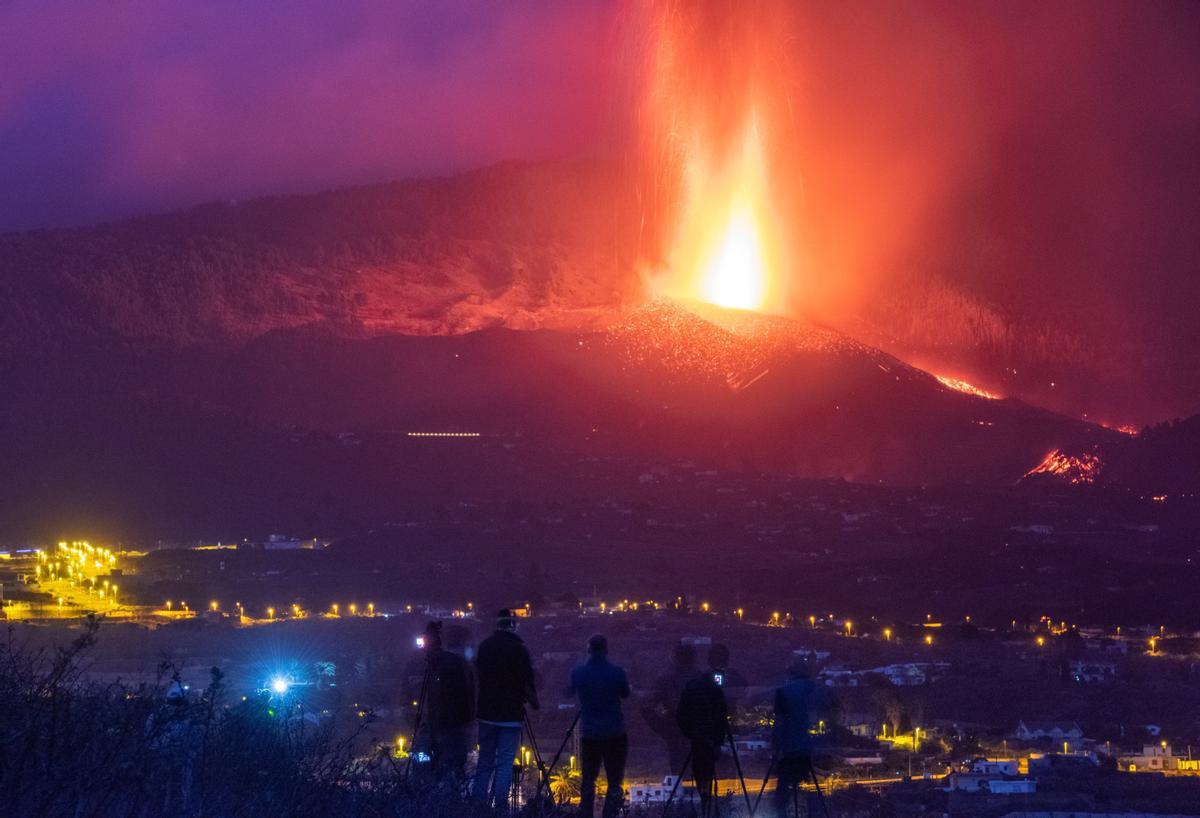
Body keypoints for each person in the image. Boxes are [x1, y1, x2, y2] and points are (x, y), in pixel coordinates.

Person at [472, 608, 539, 807]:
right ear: (514, 625)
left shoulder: (485, 647)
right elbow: (527, 681)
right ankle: (500, 806)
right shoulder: (519, 649)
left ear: (497, 624)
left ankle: (477, 805)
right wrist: (534, 702)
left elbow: (478, 676)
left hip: (486, 713)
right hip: (510, 715)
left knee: (484, 761)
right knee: (505, 763)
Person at [568, 634, 631, 818]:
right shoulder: (618, 672)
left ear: (588, 650)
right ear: (606, 650)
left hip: (590, 734)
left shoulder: (578, 672)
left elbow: (569, 691)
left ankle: (585, 813)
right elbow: (625, 694)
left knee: (588, 777)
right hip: (615, 732)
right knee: (614, 779)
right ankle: (610, 813)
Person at [771, 659, 832, 818]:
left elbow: (780, 723)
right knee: (810, 793)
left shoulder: (783, 692)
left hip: (789, 750)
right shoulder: (816, 690)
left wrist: (775, 747)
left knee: (780, 799)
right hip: (806, 749)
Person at [417, 621, 475, 783]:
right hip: (451, 728)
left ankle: (431, 797)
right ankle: (452, 801)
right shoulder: (457, 664)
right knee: (453, 770)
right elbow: (465, 697)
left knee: (435, 771)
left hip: (440, 727)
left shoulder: (441, 664)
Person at [676, 656, 728, 816]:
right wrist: (717, 740)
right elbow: (721, 715)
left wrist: (691, 733)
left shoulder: (691, 689)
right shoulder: (715, 693)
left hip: (698, 740)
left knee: (699, 770)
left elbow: (681, 715)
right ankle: (709, 806)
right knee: (706, 770)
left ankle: (704, 800)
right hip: (709, 740)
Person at [640, 642, 696, 777]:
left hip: (676, 731)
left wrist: (663, 727)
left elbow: (646, 705)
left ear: (674, 658)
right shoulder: (702, 678)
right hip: (698, 733)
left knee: (678, 771)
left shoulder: (666, 680)